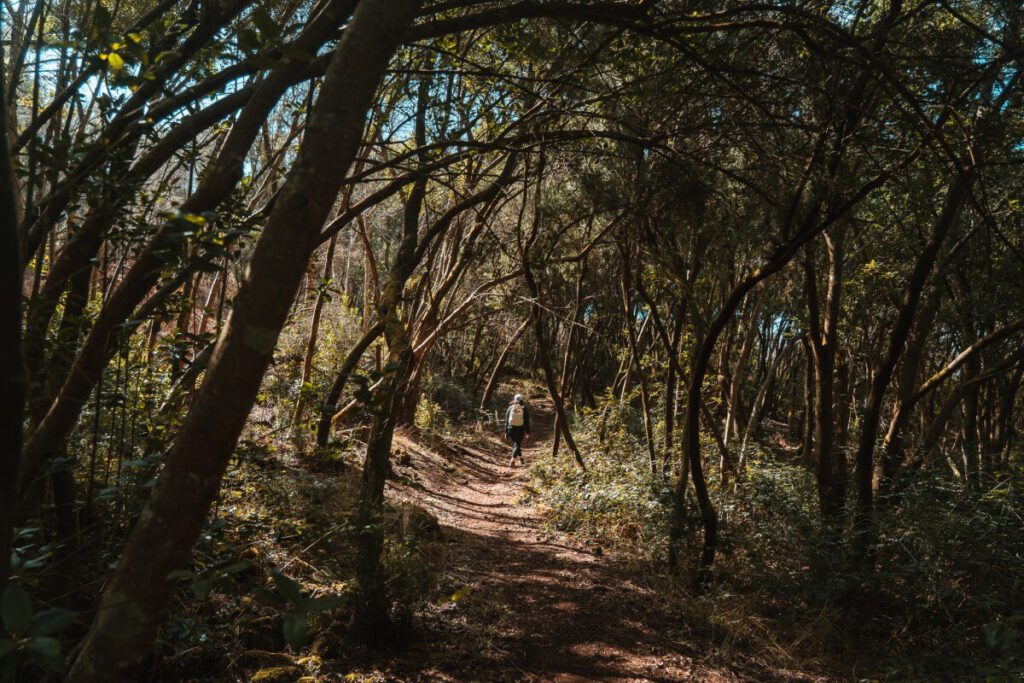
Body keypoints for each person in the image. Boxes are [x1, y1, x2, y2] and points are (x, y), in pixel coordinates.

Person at [504, 394, 531, 467]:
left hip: (510, 428)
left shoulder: (510, 408)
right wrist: (527, 432)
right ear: (522, 400)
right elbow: (526, 421)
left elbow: (506, 421)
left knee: (516, 444)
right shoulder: (524, 409)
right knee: (517, 444)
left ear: (514, 399)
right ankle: (512, 460)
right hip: (520, 429)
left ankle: (522, 460)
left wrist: (506, 432)